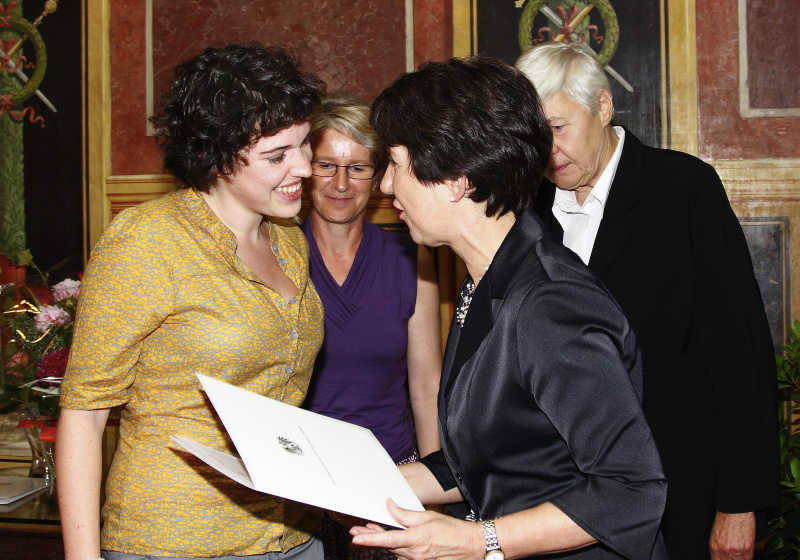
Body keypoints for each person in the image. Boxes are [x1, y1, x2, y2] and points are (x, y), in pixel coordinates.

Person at [349, 54, 669, 560]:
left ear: (457, 178)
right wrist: (359, 483)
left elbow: (631, 490)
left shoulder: (550, 305)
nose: (386, 185)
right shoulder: (486, 283)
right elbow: (489, 457)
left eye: (397, 163)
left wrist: (478, 542)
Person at [56, 44, 327, 560]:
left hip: (291, 533)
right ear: (217, 157)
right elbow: (84, 414)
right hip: (172, 540)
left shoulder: (289, 239)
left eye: (304, 144)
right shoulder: (146, 241)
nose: (306, 168)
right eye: (278, 156)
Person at [515, 41, 779, 560]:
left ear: (604, 107)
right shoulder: (528, 211)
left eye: (560, 127)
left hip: (682, 487)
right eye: (534, 135)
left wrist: (740, 502)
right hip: (566, 494)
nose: (548, 150)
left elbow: (739, 353)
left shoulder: (682, 188)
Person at [300, 92, 443, 559]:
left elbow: (426, 386)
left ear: (380, 175)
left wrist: (434, 497)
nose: (341, 183)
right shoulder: (275, 255)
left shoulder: (410, 253)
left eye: (358, 167)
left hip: (390, 484)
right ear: (305, 168)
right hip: (301, 487)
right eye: (326, 165)